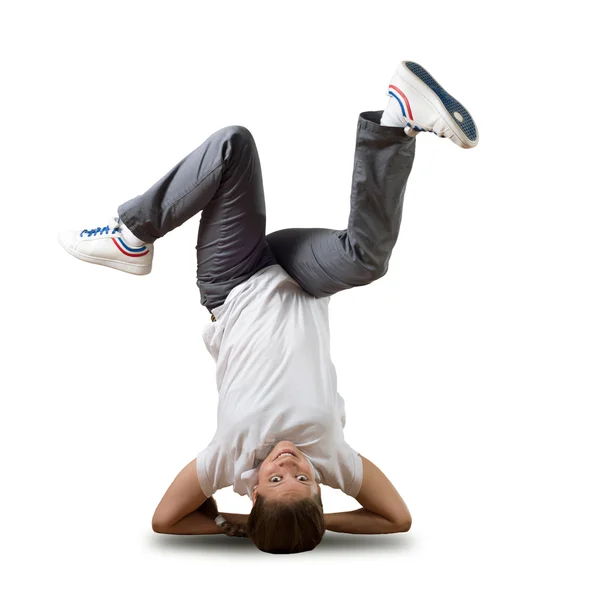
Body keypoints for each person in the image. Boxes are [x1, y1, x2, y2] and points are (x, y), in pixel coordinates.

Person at [58, 60, 478, 553]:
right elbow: (396, 519)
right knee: (366, 261)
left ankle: (130, 236)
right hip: (303, 274)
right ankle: (394, 120)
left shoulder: (226, 459)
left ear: (253, 492)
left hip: (234, 282)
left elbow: (165, 521)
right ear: (320, 489)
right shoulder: (334, 457)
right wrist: (325, 524)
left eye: (275, 483)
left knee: (234, 144)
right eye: (303, 481)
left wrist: (229, 524)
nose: (288, 466)